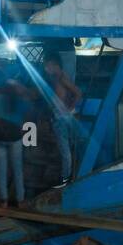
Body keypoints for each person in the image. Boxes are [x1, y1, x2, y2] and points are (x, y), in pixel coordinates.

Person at [0, 71, 37, 206]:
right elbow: (30, 115)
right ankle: (20, 200)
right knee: (18, 168)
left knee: (1, 169)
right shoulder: (22, 101)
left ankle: (4, 200)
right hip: (15, 137)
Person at [43, 56, 83, 185]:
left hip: (63, 119)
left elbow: (78, 92)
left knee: (66, 152)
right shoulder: (57, 78)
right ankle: (67, 178)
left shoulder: (62, 78)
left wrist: (69, 109)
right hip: (60, 118)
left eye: (48, 66)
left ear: (55, 65)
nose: (46, 69)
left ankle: (66, 180)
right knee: (66, 151)